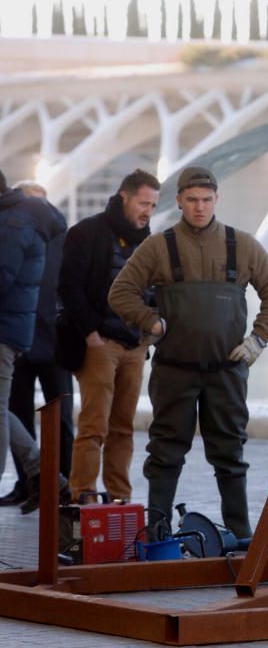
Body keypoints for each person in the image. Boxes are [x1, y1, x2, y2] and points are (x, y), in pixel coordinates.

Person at [108, 166, 268, 540]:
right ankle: (157, 533)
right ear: (179, 201)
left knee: (230, 455)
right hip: (174, 370)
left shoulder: (243, 244)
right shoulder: (159, 245)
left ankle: (240, 535)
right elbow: (120, 292)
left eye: (206, 200)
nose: (199, 207)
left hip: (228, 370)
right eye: (191, 200)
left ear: (216, 200)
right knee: (165, 453)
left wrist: (258, 339)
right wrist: (150, 322)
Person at [58, 170, 159, 504]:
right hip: (100, 343)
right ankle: (83, 493)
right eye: (144, 203)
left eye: (153, 205)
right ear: (124, 196)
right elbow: (69, 288)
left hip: (135, 345)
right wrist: (90, 335)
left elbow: (154, 291)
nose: (148, 211)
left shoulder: (148, 240)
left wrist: (147, 337)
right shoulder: (87, 233)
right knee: (93, 425)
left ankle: (119, 496)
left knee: (123, 427)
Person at [0, 181, 75, 512]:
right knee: (6, 411)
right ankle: (40, 477)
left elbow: (3, 276)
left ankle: (52, 478)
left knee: (58, 418)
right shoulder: (21, 225)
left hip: (37, 336)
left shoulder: (18, 227)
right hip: (22, 333)